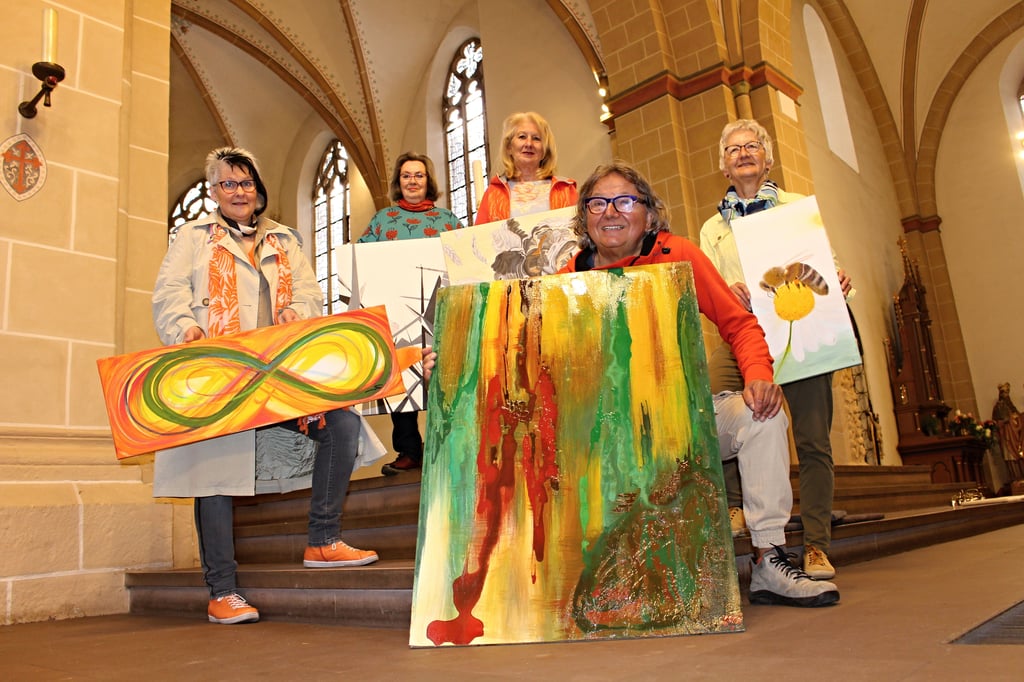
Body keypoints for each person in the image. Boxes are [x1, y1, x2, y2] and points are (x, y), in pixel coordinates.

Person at [559, 161, 838, 607]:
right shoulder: (566, 280)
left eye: (625, 201)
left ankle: (768, 559)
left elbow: (740, 324)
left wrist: (760, 377)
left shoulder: (679, 254)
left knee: (760, 416)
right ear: (585, 218)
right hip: (609, 434)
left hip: (682, 419)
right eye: (597, 203)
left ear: (649, 215)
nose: (611, 211)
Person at [152, 147, 384, 625]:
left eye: (246, 183)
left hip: (280, 369)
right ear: (214, 192)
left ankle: (322, 539)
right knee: (212, 474)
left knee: (340, 424)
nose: (239, 192)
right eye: (228, 184)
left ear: (258, 189)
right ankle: (223, 591)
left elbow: (308, 292)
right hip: (220, 370)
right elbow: (170, 291)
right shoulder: (193, 238)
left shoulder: (285, 239)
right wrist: (183, 329)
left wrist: (296, 314)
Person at [699, 119, 853, 581]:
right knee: (713, 410)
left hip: (800, 329)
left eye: (752, 147)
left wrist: (839, 277)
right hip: (741, 335)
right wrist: (728, 287)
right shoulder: (712, 228)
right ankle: (733, 507)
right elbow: (710, 282)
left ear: (767, 159)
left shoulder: (797, 207)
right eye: (733, 149)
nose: (742, 153)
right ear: (723, 166)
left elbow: (827, 262)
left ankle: (817, 545)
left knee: (811, 439)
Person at [358, 152, 464, 475]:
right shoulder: (382, 220)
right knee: (402, 377)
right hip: (396, 311)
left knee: (445, 374)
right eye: (406, 176)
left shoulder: (448, 220)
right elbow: (362, 258)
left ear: (428, 181)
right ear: (398, 182)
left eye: (418, 175)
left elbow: (463, 259)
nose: (412, 181)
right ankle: (409, 450)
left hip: (441, 307)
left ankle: (447, 445)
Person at [474, 111, 578, 224]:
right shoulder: (493, 193)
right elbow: (480, 239)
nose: (529, 144)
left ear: (545, 149)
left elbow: (581, 233)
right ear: (509, 147)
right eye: (522, 137)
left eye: (536, 138)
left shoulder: (565, 189)